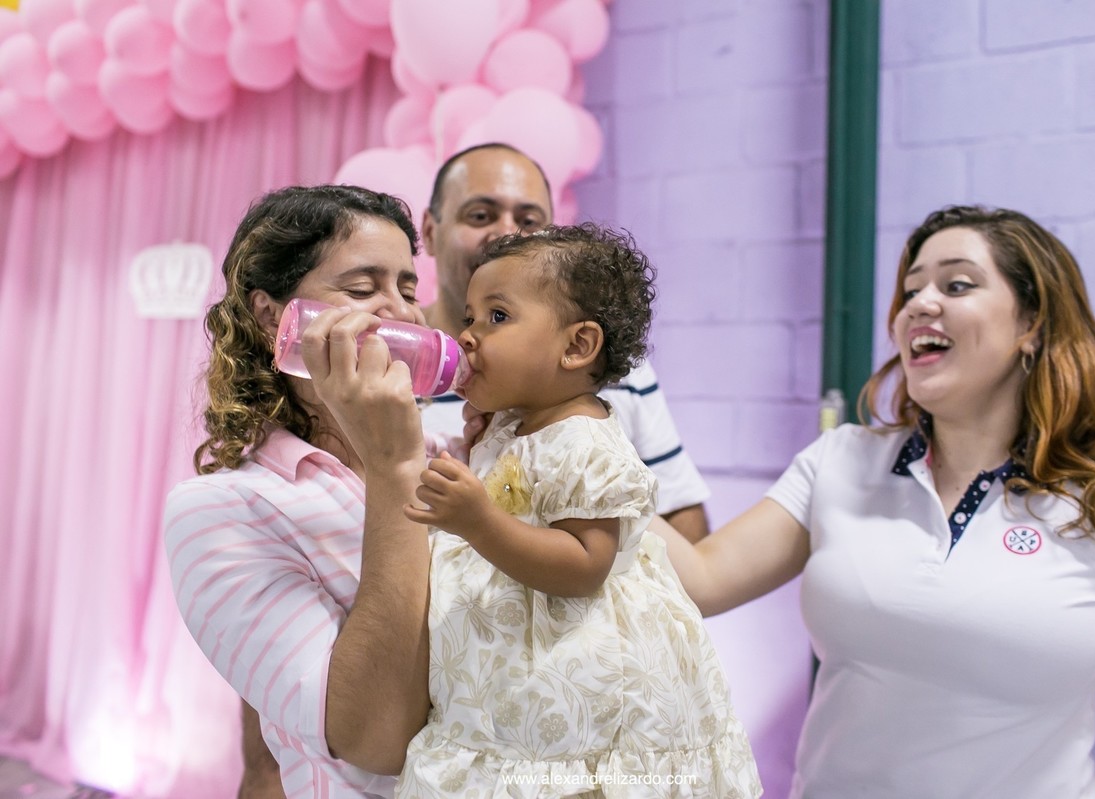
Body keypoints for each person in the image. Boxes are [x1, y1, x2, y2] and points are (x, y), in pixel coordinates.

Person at [660, 205, 1095, 798]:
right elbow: (701, 580)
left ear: (1034, 325)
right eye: (911, 289)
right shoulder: (841, 461)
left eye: (957, 284)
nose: (919, 303)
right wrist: (579, 432)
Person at [395, 223, 762, 797]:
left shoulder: (585, 441)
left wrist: (477, 519)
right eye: (468, 317)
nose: (468, 337)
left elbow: (585, 563)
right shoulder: (518, 425)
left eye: (496, 318)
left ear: (576, 346)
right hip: (508, 672)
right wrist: (483, 450)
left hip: (579, 673)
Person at [163, 184, 435, 798]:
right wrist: (394, 472)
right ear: (273, 317)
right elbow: (376, 741)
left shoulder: (450, 456)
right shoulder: (223, 511)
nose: (401, 312)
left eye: (410, 289)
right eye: (363, 290)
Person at [418, 143, 713, 543]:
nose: (507, 231)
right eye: (480, 215)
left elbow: (673, 520)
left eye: (528, 218)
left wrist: (480, 520)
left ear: (577, 348)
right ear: (431, 233)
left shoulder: (588, 432)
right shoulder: (395, 367)